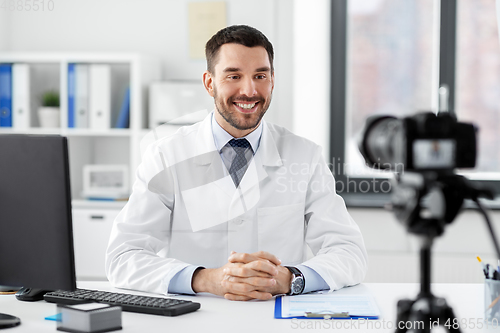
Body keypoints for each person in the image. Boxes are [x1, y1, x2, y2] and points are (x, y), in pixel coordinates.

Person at [105, 25, 367, 301]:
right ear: (209, 83)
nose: (249, 90)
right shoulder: (166, 155)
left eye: (260, 75)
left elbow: (349, 252)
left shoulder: (305, 156)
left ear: (272, 80)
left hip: (275, 316)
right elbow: (123, 256)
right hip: (194, 318)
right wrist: (207, 279)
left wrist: (290, 279)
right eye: (233, 75)